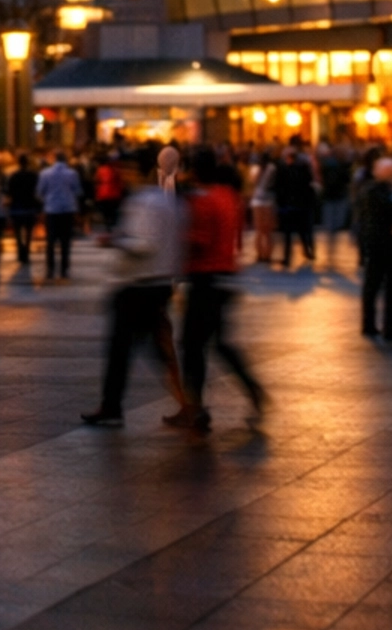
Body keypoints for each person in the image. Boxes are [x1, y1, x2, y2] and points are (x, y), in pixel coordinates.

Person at [81, 143, 189, 428]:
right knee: (156, 348)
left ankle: (113, 405)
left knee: (124, 348)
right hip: (160, 282)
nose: (124, 174)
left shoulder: (145, 201)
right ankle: (187, 403)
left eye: (127, 169)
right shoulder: (170, 200)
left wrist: (115, 240)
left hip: (138, 286)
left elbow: (145, 245)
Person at [175, 147, 266, 433]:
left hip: (205, 278)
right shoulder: (229, 196)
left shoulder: (201, 201)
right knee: (219, 343)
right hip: (226, 275)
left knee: (192, 346)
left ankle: (197, 408)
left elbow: (197, 240)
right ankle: (251, 391)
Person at [357, 156, 392, 342]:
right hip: (378, 244)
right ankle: (370, 325)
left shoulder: (390, 191)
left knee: (391, 287)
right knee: (373, 285)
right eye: (389, 171)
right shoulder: (373, 191)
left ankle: (388, 328)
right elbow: (391, 211)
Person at [38, 148, 82, 279]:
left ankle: (50, 269)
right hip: (67, 210)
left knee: (51, 241)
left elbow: (40, 191)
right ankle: (64, 269)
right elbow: (78, 191)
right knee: (65, 241)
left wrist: (47, 199)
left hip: (51, 210)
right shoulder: (72, 174)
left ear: (54, 159)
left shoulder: (45, 173)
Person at [274, 142, 316, 267]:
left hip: (290, 204)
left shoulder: (284, 169)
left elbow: (279, 187)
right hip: (300, 204)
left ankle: (288, 257)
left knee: (288, 232)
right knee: (302, 230)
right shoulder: (303, 168)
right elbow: (309, 183)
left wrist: (280, 202)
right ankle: (307, 251)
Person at [317, 141, 353, 269]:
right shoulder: (340, 165)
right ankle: (330, 256)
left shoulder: (329, 164)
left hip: (332, 198)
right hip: (336, 198)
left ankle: (330, 256)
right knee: (333, 228)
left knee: (330, 229)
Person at [5, 152, 40, 267]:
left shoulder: (13, 176)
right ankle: (27, 250)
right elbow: (37, 191)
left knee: (18, 232)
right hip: (29, 206)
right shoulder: (33, 175)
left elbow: (9, 192)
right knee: (29, 231)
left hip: (17, 206)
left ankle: (20, 250)